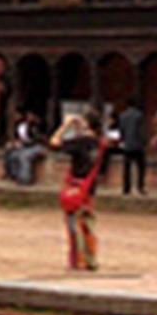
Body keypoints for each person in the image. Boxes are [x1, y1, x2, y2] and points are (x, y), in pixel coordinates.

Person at [52, 111, 107, 271]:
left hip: (76, 188)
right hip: (90, 188)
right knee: (88, 224)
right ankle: (90, 258)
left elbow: (54, 143)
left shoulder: (80, 142)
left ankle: (77, 259)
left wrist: (65, 125)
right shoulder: (99, 143)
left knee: (73, 225)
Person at [116, 96, 148, 196]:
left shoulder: (122, 116)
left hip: (127, 144)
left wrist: (122, 140)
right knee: (141, 167)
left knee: (127, 167)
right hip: (138, 145)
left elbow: (121, 131)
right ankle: (140, 186)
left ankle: (126, 188)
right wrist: (144, 142)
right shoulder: (139, 115)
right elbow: (140, 131)